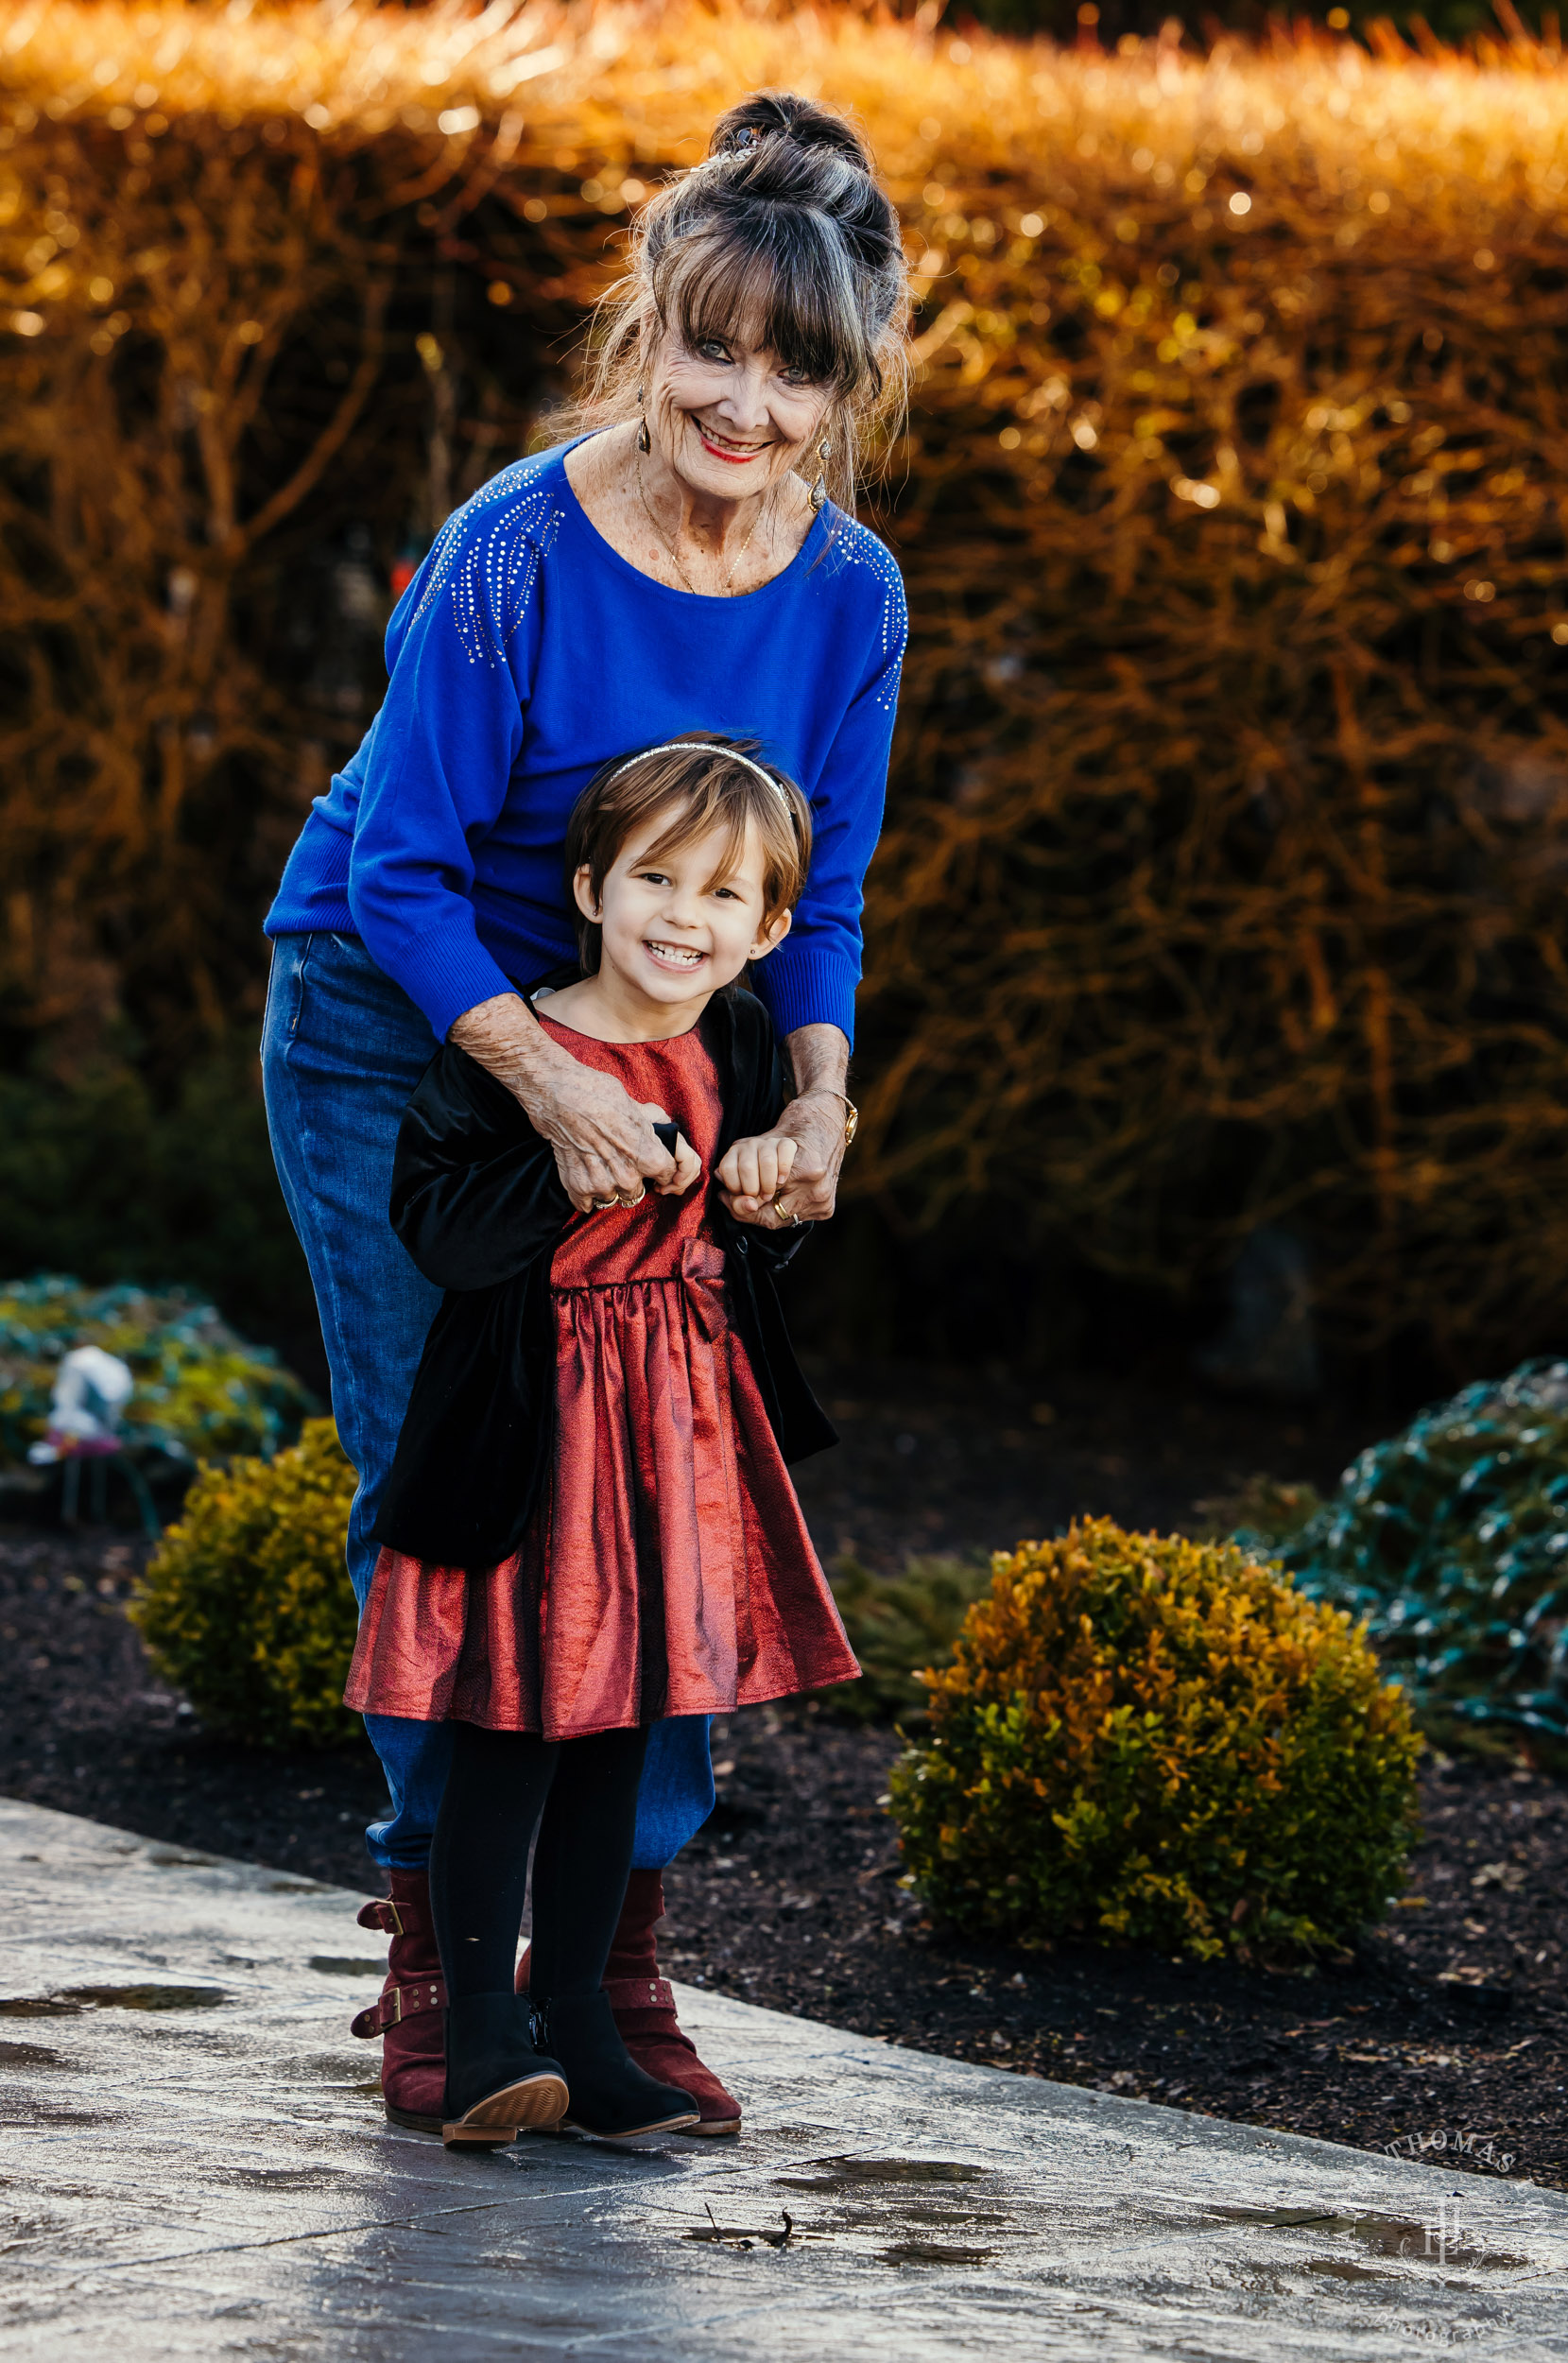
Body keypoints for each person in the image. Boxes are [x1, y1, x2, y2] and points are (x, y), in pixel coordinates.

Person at [260, 86, 909, 2136]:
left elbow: (827, 895)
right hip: (410, 1034)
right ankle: (447, 1969)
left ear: (851, 379)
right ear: (652, 325)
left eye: (796, 368)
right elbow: (401, 870)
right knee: (459, 1478)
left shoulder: (852, 594)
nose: (744, 401)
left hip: (662, 1067)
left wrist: (814, 1098)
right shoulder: (516, 548)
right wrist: (538, 1082)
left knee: (667, 1495)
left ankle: (614, 1960)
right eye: (713, 345)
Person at [342, 738, 859, 2146]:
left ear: (766, 930)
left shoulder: (743, 1042)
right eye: (654, 878)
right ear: (589, 886)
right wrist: (564, 1172)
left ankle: (582, 2018)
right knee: (513, 1727)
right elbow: (437, 1230)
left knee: (631, 1724)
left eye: (723, 895)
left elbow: (761, 1239)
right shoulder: (511, 1050)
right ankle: (480, 2034)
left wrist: (768, 1196)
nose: (683, 916)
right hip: (534, 1440)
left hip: (675, 1439)